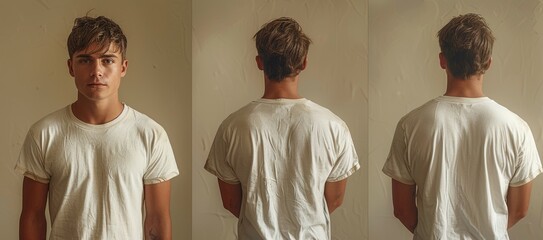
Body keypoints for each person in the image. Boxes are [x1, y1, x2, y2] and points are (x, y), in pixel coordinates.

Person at [15, 16, 179, 239]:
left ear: (123, 67)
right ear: (70, 67)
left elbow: (157, 220)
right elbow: (32, 217)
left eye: (107, 60)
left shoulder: (151, 135)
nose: (96, 71)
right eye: (85, 60)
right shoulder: (44, 134)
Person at [382, 13, 543, 239]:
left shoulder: (410, 125)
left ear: (442, 60)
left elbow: (402, 209)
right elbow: (519, 210)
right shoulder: (517, 128)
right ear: (488, 63)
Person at [204, 17, 360, 239]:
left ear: (259, 62)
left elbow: (231, 202)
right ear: (304, 63)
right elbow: (333, 200)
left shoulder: (232, 126)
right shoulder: (333, 126)